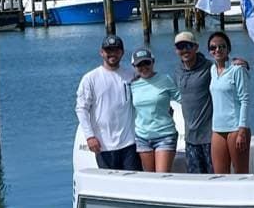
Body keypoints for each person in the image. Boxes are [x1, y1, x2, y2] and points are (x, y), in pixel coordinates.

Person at [173, 30, 249, 175]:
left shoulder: (208, 67)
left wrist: (244, 63)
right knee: (202, 181)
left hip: (211, 135)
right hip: (192, 138)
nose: (184, 50)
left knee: (230, 174)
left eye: (188, 46)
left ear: (196, 47)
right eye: (180, 47)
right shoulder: (179, 71)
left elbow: (243, 97)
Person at [75, 34, 141, 171]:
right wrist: (89, 137)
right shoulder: (90, 78)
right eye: (108, 51)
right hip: (103, 145)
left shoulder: (132, 75)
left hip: (129, 143)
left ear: (122, 52)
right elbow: (81, 109)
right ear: (101, 53)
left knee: (132, 186)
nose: (112, 54)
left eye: (116, 50)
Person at [128, 47, 181, 173]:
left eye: (147, 62)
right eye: (139, 64)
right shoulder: (132, 85)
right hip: (142, 137)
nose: (144, 67)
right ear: (134, 66)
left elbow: (182, 98)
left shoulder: (165, 79)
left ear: (153, 62)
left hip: (165, 135)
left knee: (161, 176)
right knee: (149, 177)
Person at [207, 30, 251, 174]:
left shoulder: (237, 69)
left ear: (228, 49)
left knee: (241, 174)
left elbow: (244, 99)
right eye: (213, 48)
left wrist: (242, 130)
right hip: (217, 129)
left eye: (222, 46)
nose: (217, 50)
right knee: (220, 176)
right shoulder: (212, 70)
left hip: (235, 128)